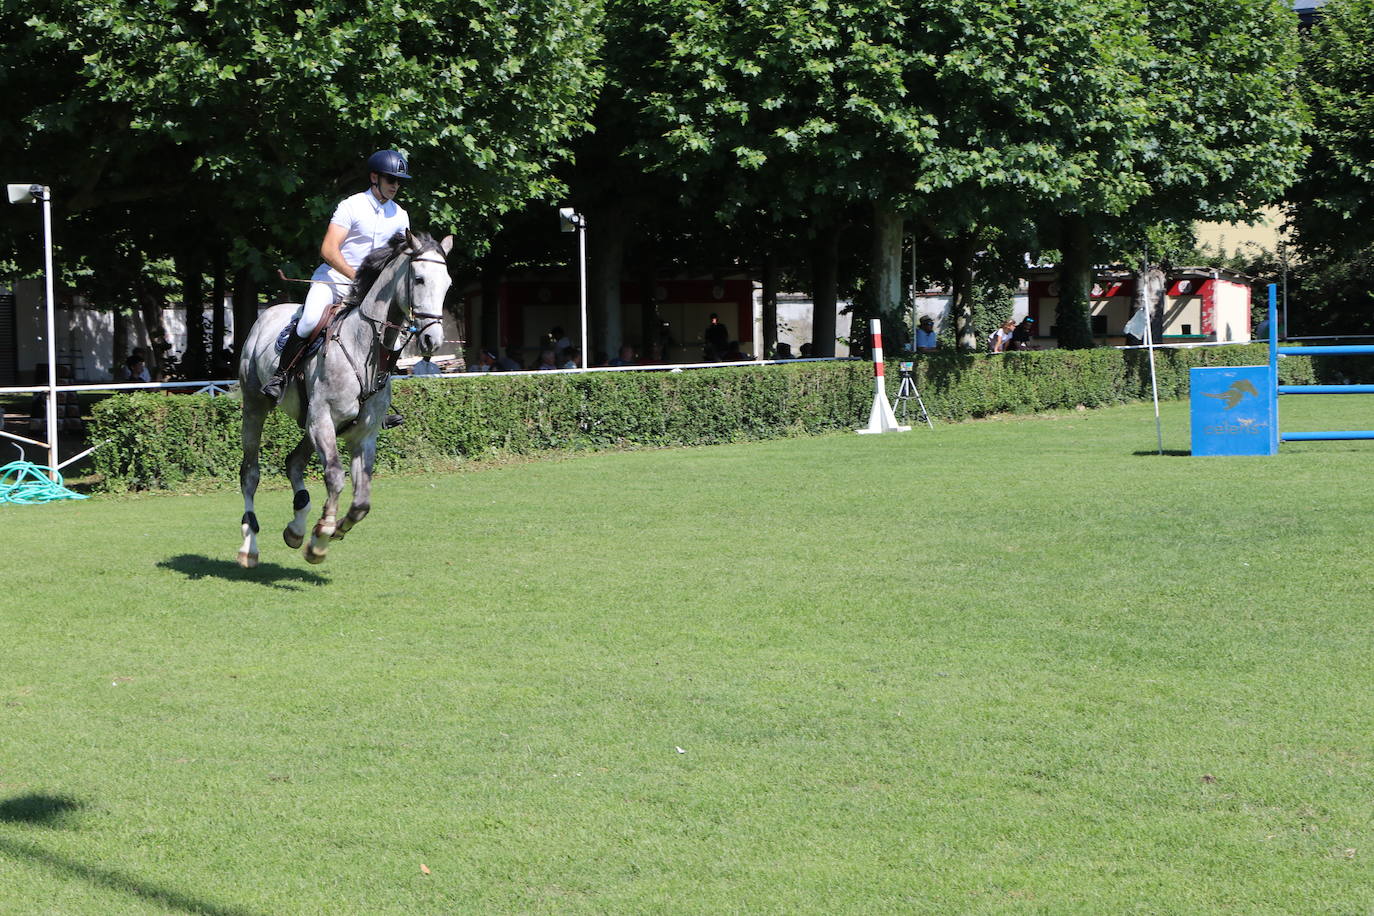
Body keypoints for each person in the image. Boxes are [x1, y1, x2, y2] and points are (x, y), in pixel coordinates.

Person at [261, 150, 412, 401]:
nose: (395, 185)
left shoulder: (400, 215)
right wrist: (357, 277)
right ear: (374, 177)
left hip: (373, 291)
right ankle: (281, 376)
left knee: (395, 337)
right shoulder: (352, 206)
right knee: (309, 319)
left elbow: (400, 259)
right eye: (390, 179)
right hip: (334, 280)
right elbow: (328, 249)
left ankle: (378, 397)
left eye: (399, 181)